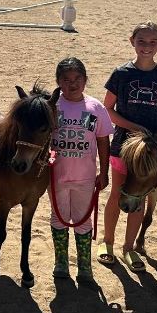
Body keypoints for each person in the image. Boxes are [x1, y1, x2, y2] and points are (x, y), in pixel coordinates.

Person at [98, 21, 157, 273]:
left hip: (152, 149)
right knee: (118, 194)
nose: (147, 46)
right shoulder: (121, 74)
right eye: (141, 41)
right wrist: (133, 126)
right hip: (123, 146)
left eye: (152, 42)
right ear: (132, 41)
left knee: (140, 197)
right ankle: (107, 242)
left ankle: (129, 247)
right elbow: (107, 109)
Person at [48, 58, 112, 284]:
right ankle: (61, 262)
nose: (72, 84)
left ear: (85, 80)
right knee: (59, 217)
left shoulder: (96, 108)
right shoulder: (52, 107)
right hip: (56, 176)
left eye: (77, 79)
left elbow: (103, 142)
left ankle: (84, 266)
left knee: (83, 220)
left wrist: (103, 172)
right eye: (66, 80)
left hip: (85, 177)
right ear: (58, 82)